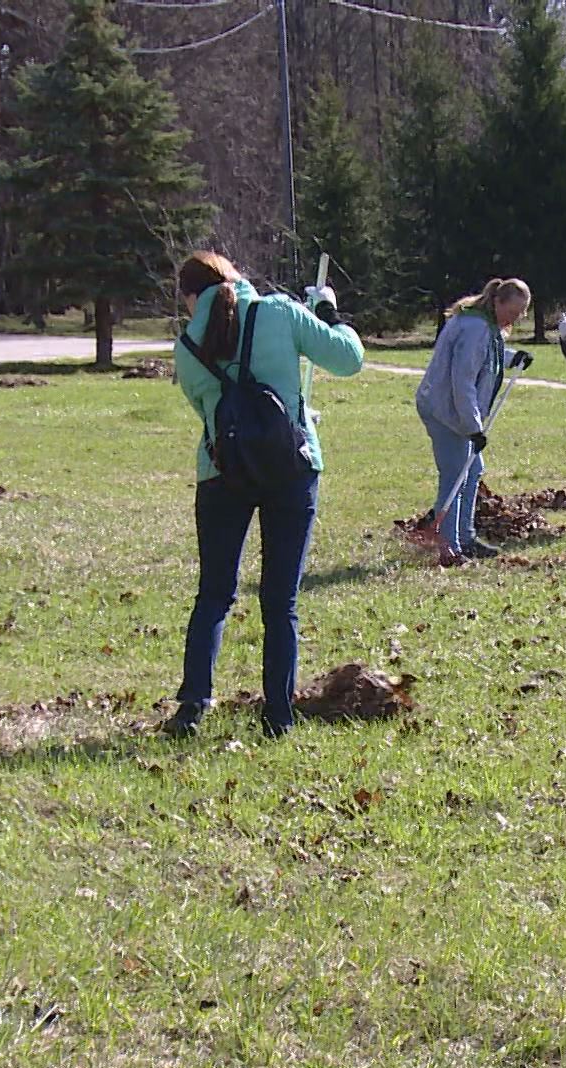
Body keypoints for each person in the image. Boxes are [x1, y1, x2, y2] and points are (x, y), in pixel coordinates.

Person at [164, 252, 365, 738]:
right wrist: (327, 311)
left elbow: (209, 411)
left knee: (214, 594)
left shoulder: (187, 346)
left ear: (192, 297)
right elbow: (349, 359)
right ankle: (278, 715)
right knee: (280, 601)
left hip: (222, 472)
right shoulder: (281, 312)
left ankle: (192, 706)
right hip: (291, 468)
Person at [414, 277, 533, 564]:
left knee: (473, 468)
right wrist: (473, 427)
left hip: (454, 410)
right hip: (446, 411)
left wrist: (513, 357)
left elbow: (486, 356)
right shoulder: (475, 328)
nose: (515, 319)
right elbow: (463, 382)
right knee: (456, 475)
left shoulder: (484, 325)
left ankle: (465, 538)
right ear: (497, 302)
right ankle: (448, 547)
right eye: (513, 312)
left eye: (521, 314)